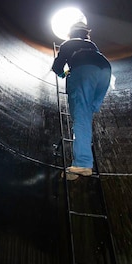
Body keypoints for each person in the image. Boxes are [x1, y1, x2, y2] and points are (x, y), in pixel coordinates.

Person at [52, 21, 111, 178]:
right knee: (86, 113)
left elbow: (57, 67)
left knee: (81, 117)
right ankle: (82, 154)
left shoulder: (67, 44)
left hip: (83, 70)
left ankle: (82, 164)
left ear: (71, 33)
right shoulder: (92, 44)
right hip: (105, 70)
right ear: (86, 33)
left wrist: (63, 74)